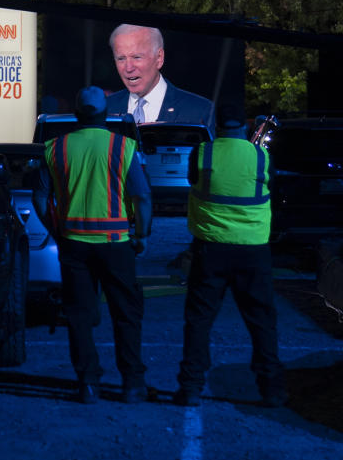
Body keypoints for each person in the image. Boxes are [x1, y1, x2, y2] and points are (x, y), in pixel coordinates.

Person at [34, 86, 153, 404]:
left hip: (73, 245)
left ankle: (87, 383)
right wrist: (141, 235)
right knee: (126, 314)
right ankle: (132, 384)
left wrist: (57, 231)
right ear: (105, 114)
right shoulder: (123, 147)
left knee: (79, 316)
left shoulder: (55, 148)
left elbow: (40, 198)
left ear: (77, 113)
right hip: (116, 244)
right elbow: (141, 197)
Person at [173, 105, 287, 408]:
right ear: (246, 126)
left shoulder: (203, 153)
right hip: (253, 251)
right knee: (262, 322)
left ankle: (190, 388)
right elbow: (269, 188)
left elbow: (192, 181)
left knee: (198, 321)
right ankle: (272, 390)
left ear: (217, 124)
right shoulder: (261, 157)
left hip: (211, 249)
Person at [106, 24, 215, 136]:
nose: (128, 68)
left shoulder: (199, 110)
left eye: (137, 57)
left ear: (159, 58)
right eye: (121, 59)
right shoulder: (105, 109)